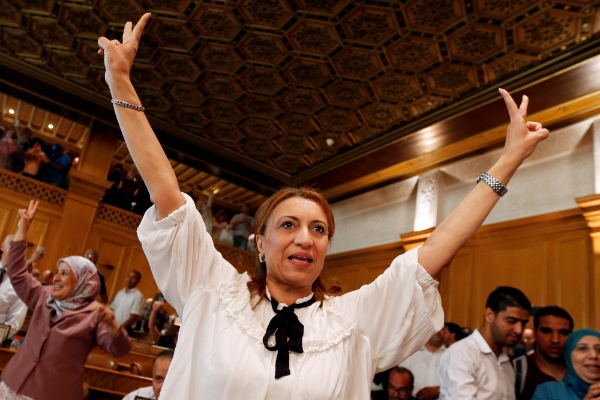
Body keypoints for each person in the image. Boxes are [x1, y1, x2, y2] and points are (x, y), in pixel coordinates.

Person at [97, 13, 549, 398]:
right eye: (289, 224)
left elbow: (436, 253)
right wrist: (121, 82)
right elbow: (166, 190)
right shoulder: (213, 291)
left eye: (318, 229)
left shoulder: (352, 322)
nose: (304, 238)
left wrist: (507, 160)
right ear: (259, 241)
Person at [0, 200, 131, 400]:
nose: (56, 278)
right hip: (13, 383)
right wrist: (23, 228)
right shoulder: (45, 294)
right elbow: (17, 273)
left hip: (53, 393)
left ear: (83, 282)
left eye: (64, 273)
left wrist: (113, 326)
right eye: (57, 272)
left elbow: (119, 350)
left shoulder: (95, 313)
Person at [439, 286, 532, 399]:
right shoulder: (462, 353)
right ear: (489, 315)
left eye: (523, 323)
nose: (519, 330)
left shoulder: (505, 362)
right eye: (511, 321)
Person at [514, 306, 574, 400]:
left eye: (563, 333)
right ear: (534, 334)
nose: (555, 340)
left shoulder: (581, 370)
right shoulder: (516, 370)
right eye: (546, 331)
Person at [532, 328, 600, 400]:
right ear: (568, 356)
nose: (594, 355)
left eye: (599, 349)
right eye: (582, 349)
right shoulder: (548, 392)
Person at [399, 329, 445, 399]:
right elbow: (400, 379)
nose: (437, 331)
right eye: (434, 327)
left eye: (441, 328)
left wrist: (439, 390)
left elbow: (458, 383)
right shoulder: (410, 353)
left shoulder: (451, 355)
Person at [0, 234, 28, 340]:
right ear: (2, 246)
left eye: (19, 248)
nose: (15, 250)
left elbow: (14, 323)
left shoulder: (21, 284)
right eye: (12, 245)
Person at [109, 269, 145, 335]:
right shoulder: (120, 293)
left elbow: (133, 317)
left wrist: (120, 329)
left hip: (125, 329)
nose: (130, 279)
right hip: (112, 327)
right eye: (128, 276)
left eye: (133, 277)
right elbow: (111, 310)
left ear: (138, 281)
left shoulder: (139, 296)